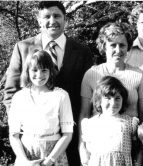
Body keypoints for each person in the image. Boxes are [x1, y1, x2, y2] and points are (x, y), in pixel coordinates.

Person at [3, 2, 93, 165]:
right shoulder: (23, 47)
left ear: (65, 19)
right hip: (30, 142)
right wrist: (21, 124)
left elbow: (88, 94)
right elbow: (10, 92)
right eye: (47, 16)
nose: (52, 20)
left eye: (57, 16)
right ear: (39, 20)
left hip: (70, 137)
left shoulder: (82, 51)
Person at [8, 50, 73, 166]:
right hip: (26, 153)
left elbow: (67, 134)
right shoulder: (19, 97)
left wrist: (50, 160)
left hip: (54, 154)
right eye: (34, 70)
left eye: (44, 70)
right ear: (27, 71)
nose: (39, 75)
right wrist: (24, 161)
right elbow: (14, 135)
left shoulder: (61, 96)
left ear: (50, 72)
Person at [79, 22, 143, 122]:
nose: (118, 50)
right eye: (113, 45)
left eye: (122, 45)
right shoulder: (91, 74)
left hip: (130, 134)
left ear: (128, 47)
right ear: (104, 47)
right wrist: (82, 138)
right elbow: (84, 114)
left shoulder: (140, 75)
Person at [79, 76, 139, 166]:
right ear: (99, 100)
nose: (113, 103)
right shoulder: (90, 124)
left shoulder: (130, 123)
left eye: (117, 98)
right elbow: (85, 149)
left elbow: (137, 149)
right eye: (108, 98)